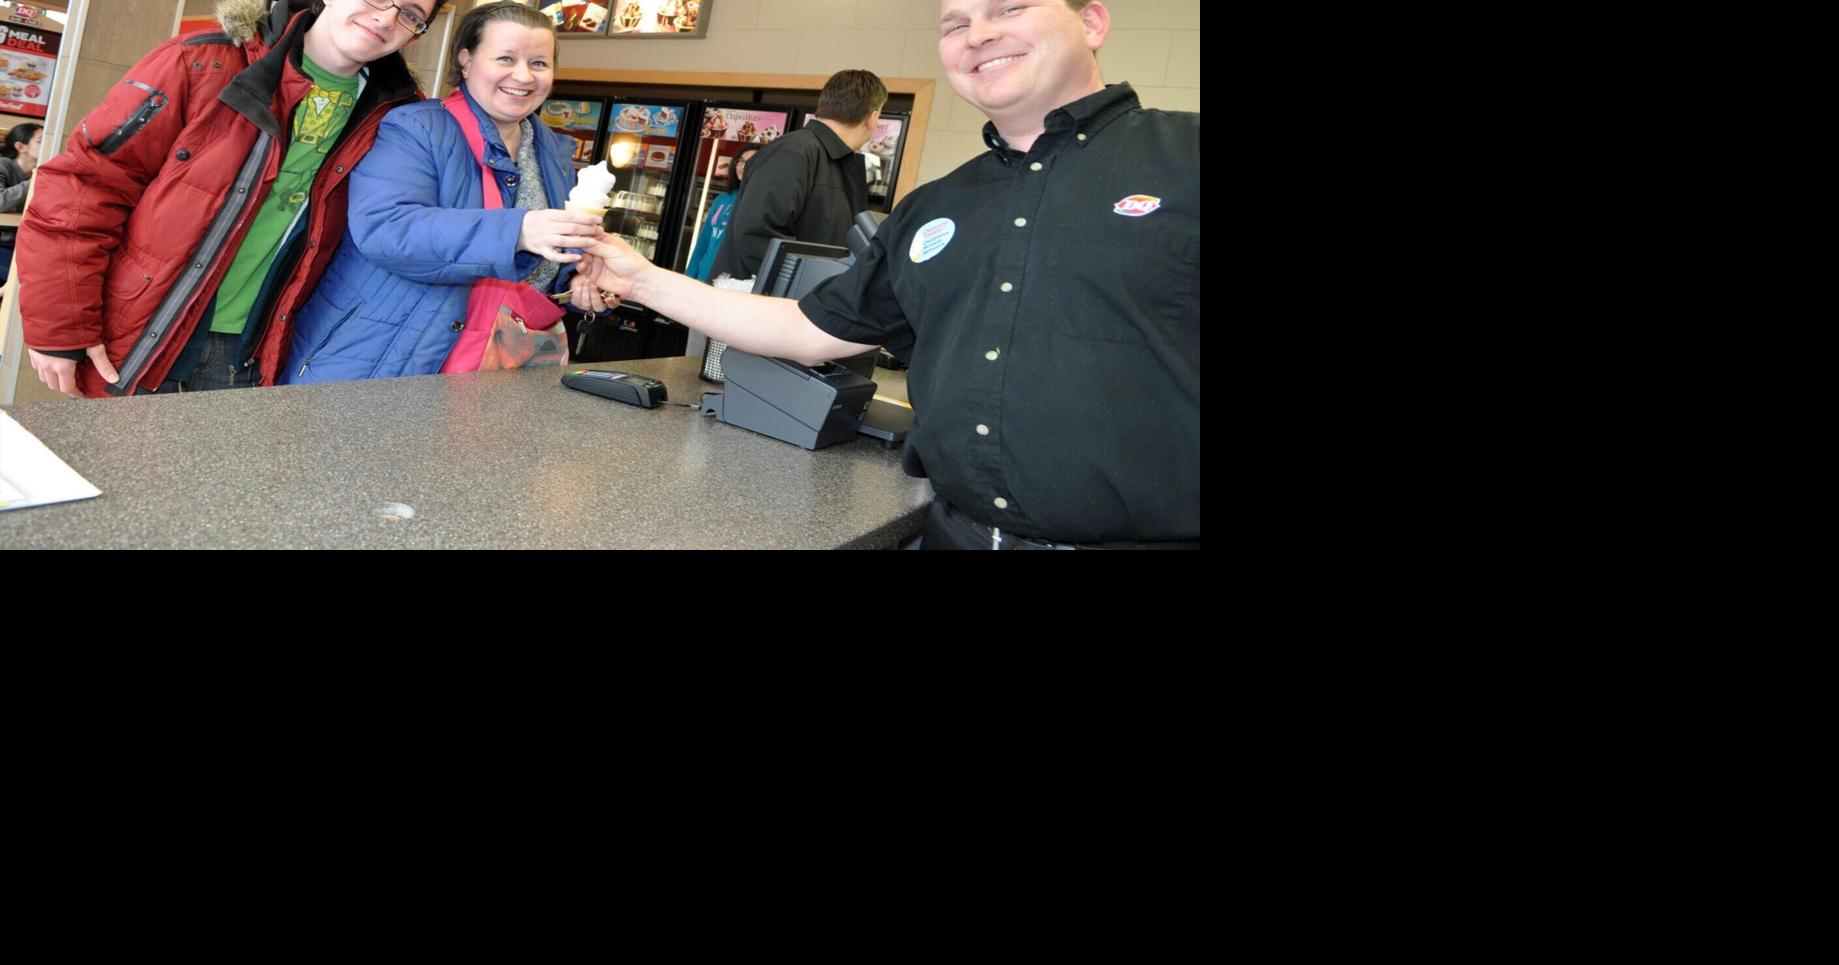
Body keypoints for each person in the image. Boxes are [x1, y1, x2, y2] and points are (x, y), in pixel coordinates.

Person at [580, 0, 1198, 549]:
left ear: (1091, 22)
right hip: (957, 534)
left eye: (1010, 9)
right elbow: (809, 328)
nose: (977, 33)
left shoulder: (1186, 159)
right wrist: (640, 280)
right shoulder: (937, 206)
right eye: (956, 23)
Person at [16, 0, 449, 398]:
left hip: (254, 351)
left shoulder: (397, 116)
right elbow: (86, 186)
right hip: (140, 332)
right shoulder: (205, 62)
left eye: (411, 13)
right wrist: (61, 326)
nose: (387, 18)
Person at [280, 1, 601, 383]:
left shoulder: (552, 151)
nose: (524, 76)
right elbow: (387, 229)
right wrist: (519, 231)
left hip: (489, 373)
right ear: (465, 61)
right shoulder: (414, 127)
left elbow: (545, 262)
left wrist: (577, 281)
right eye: (505, 58)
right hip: (378, 359)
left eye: (538, 63)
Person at [709, 68, 884, 281]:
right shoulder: (793, 151)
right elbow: (758, 234)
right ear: (873, 117)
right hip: (762, 304)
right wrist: (814, 287)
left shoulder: (835, 162)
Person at [682, 146, 757, 282]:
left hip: (731, 282)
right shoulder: (722, 199)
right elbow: (703, 242)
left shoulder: (759, 203)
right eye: (740, 161)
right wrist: (689, 277)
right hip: (704, 276)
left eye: (750, 162)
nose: (742, 166)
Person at [1, 122, 44, 284]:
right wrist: (35, 180)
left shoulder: (42, 173)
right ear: (21, 147)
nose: (48, 144)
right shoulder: (3, 164)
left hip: (22, 243)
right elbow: (1, 201)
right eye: (40, 141)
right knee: (22, 280)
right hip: (4, 243)